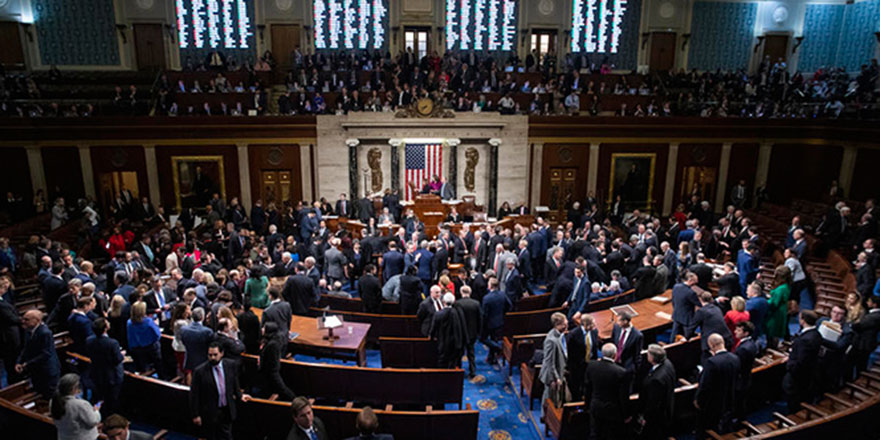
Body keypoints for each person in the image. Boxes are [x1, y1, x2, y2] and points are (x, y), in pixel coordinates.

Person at [190, 342, 249, 440]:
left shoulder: (230, 365)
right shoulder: (199, 372)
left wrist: (240, 395)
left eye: (215, 355)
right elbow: (194, 395)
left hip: (226, 409)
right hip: (210, 412)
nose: (212, 358)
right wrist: (195, 415)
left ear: (222, 353)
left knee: (227, 436)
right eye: (210, 355)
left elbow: (234, 382)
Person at [695, 334, 740, 439]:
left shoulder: (712, 362)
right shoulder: (735, 358)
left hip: (712, 402)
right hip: (729, 398)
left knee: (706, 429)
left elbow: (705, 385)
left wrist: (699, 400)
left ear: (711, 345)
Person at [584, 343, 631, 440]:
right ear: (615, 355)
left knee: (595, 434)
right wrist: (626, 415)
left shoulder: (591, 365)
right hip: (612, 410)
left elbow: (587, 388)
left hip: (595, 406)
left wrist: (587, 405)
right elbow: (623, 397)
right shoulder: (621, 372)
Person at [783, 310, 822, 413]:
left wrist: (789, 365)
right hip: (808, 374)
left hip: (797, 378)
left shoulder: (804, 340)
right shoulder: (817, 334)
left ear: (802, 321)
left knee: (794, 400)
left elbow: (800, 362)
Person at [16, 309, 61, 398]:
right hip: (36, 370)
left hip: (47, 371)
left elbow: (46, 354)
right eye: (23, 318)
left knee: (51, 396)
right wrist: (19, 361)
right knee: (39, 395)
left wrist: (27, 364)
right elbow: (26, 348)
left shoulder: (45, 333)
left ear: (37, 320)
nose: (23, 321)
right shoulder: (28, 330)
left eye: (27, 319)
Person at [85, 318, 124, 417]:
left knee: (99, 396)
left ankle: (99, 413)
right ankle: (110, 416)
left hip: (96, 373)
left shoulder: (89, 340)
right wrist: (122, 354)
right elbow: (117, 359)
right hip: (111, 375)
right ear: (105, 328)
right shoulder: (112, 343)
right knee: (112, 399)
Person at [639, 344, 676, 440]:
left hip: (657, 417)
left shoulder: (656, 380)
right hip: (668, 406)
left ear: (652, 358)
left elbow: (653, 403)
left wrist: (645, 418)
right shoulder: (667, 363)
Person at [50, 373, 101, 440]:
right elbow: (93, 421)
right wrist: (96, 411)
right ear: (74, 388)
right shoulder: (80, 404)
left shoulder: (53, 402)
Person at [567, 312, 600, 401]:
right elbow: (570, 352)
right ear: (585, 324)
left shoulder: (594, 332)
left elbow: (595, 348)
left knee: (588, 384)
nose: (594, 325)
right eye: (592, 323)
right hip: (577, 366)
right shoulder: (573, 334)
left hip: (590, 364)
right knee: (576, 385)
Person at [540, 312, 569, 413]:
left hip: (559, 370)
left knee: (556, 398)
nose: (567, 326)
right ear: (558, 324)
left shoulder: (560, 335)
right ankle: (544, 416)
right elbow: (549, 361)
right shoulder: (551, 340)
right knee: (548, 397)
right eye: (565, 324)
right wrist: (555, 378)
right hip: (551, 375)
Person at [259, 322, 295, 400]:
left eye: (264, 328)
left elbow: (271, 362)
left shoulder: (273, 345)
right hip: (269, 372)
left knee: (282, 389)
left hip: (271, 372)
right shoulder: (271, 341)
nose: (262, 329)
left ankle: (293, 399)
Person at [694, 291, 733, 362]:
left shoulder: (701, 311)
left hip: (713, 342)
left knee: (707, 360)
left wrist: (686, 337)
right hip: (726, 338)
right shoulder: (716, 308)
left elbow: (692, 325)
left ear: (700, 300)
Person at [430, 293, 467, 369]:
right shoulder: (458, 313)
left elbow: (433, 329)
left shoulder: (438, 314)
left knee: (442, 364)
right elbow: (462, 327)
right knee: (452, 364)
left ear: (443, 301)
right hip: (455, 343)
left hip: (442, 343)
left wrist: (431, 337)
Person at [454, 285, 482, 378]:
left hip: (461, 332)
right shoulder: (476, 303)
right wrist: (479, 332)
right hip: (472, 332)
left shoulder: (457, 303)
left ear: (461, 292)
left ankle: (459, 370)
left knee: (459, 353)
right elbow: (480, 319)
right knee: (471, 352)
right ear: (470, 293)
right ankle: (472, 371)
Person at [126, 301, 162, 373]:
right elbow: (158, 335)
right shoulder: (148, 321)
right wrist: (157, 325)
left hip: (137, 349)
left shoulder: (129, 322)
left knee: (144, 368)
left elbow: (130, 337)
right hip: (151, 348)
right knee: (158, 365)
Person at [481, 278, 510, 364]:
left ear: (490, 286)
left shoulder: (486, 298)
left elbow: (484, 314)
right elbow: (509, 305)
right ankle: (491, 358)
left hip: (490, 323)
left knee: (483, 339)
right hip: (500, 321)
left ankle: (499, 348)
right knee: (494, 339)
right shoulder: (503, 294)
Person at [733, 321, 758, 419]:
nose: (735, 332)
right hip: (746, 378)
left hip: (740, 381)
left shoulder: (743, 349)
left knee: (738, 403)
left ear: (746, 333)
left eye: (738, 330)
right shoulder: (750, 342)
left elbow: (738, 366)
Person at [180, 307, 216, 373]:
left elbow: (183, 342)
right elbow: (211, 347)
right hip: (203, 362)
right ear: (202, 317)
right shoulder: (207, 331)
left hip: (190, 359)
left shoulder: (183, 329)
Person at [851, 295, 880, 374]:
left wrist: (853, 324)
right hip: (864, 343)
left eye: (869, 301)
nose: (867, 303)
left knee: (860, 365)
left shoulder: (874, 317)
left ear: (874, 304)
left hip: (864, 344)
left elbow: (859, 326)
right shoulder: (873, 315)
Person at [610, 311, 643, 376]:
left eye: (619, 321)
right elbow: (613, 342)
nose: (617, 323)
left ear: (625, 321)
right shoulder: (616, 327)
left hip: (627, 366)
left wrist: (635, 369)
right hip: (614, 363)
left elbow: (637, 354)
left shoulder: (637, 335)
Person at [766, 266, 792, 347]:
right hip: (781, 310)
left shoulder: (781, 289)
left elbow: (774, 304)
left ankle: (771, 348)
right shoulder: (786, 285)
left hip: (776, 313)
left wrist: (765, 300)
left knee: (772, 332)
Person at [671, 272, 701, 340]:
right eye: (695, 281)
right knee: (687, 337)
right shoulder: (691, 293)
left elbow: (673, 301)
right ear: (690, 280)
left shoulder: (676, 286)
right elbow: (699, 304)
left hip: (677, 314)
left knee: (674, 334)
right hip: (687, 319)